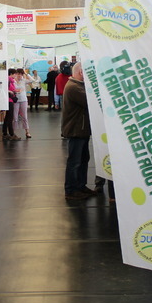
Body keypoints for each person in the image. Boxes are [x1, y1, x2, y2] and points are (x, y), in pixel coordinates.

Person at [61, 62, 95, 200]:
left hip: (81, 129)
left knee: (83, 159)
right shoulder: (74, 87)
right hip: (76, 130)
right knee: (75, 161)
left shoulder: (77, 86)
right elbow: (90, 102)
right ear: (81, 72)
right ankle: (71, 190)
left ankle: (80, 186)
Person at [13, 68, 32, 139]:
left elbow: (32, 80)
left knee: (24, 116)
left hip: (23, 100)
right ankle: (13, 132)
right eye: (18, 74)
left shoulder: (24, 80)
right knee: (15, 117)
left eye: (21, 74)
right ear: (16, 74)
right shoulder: (13, 81)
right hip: (16, 100)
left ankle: (27, 132)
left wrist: (26, 74)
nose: (19, 75)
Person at [3, 68, 20, 141]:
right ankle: (11, 134)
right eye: (15, 74)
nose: (16, 75)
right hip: (9, 100)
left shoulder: (11, 81)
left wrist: (14, 91)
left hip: (9, 100)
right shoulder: (8, 80)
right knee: (10, 118)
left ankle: (5, 133)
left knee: (7, 117)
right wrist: (10, 91)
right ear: (11, 74)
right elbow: (4, 89)